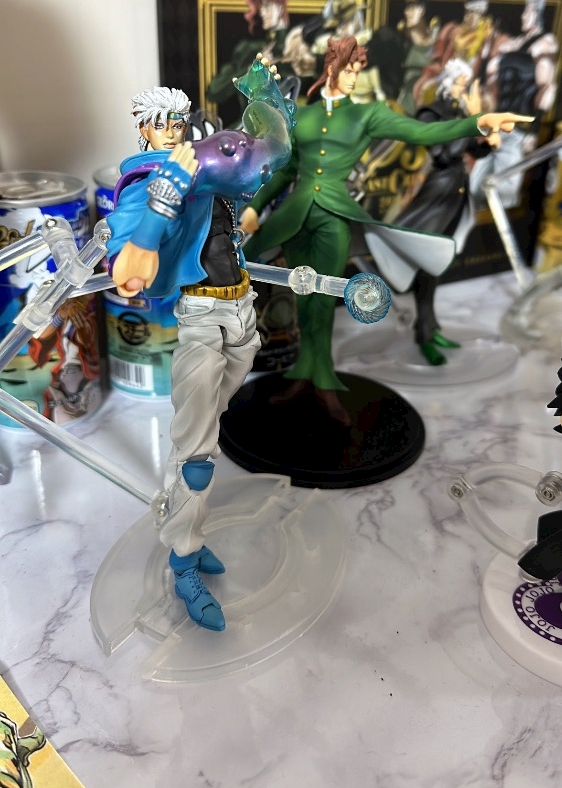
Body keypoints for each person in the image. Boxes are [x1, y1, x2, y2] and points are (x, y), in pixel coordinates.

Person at [240, 36, 532, 424]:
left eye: (358, 72)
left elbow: (421, 133)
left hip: (333, 219)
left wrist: (477, 122)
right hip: (294, 219)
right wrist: (254, 207)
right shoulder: (302, 116)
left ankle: (324, 383)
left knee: (324, 301)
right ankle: (303, 377)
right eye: (348, 70)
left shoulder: (367, 114)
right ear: (332, 67)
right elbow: (285, 172)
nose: (353, 78)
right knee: (303, 301)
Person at [107, 61, 294, 633]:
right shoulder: (148, 185)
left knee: (201, 433)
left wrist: (264, 97)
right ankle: (184, 562)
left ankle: (183, 529)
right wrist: (163, 199)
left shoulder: (207, 169)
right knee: (196, 459)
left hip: (243, 312)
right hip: (201, 319)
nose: (172, 131)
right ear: (143, 129)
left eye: (179, 121)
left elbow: (259, 161)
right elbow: (128, 276)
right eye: (161, 123)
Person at [391, 57, 489, 364]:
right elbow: (443, 153)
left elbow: (478, 150)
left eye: (466, 84)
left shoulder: (460, 113)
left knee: (437, 267)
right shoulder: (430, 113)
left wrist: (484, 130)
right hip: (437, 193)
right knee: (427, 264)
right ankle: (424, 334)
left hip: (457, 192)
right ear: (447, 82)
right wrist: (471, 122)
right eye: (460, 83)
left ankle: (430, 328)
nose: (463, 88)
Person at [470, 0, 560, 209]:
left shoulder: (545, 43)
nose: (523, 16)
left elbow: (547, 88)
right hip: (496, 123)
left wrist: (534, 131)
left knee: (503, 193)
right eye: (524, 11)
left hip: (518, 128)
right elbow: (492, 81)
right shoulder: (512, 43)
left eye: (528, 12)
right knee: (474, 186)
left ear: (538, 14)